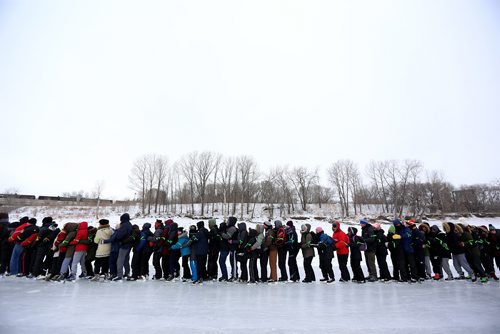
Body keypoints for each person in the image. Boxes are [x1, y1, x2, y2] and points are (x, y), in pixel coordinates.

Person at [104, 213, 133, 281]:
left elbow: (120, 235)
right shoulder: (129, 224)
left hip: (124, 245)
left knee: (120, 260)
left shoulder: (124, 225)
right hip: (128, 245)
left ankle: (119, 275)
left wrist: (116, 234)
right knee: (126, 260)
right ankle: (127, 273)